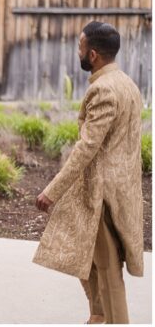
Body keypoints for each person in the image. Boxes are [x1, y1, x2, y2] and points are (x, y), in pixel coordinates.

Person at [34, 22, 144, 325]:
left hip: (102, 196)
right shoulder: (126, 83)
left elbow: (87, 148)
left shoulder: (103, 89)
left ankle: (116, 321)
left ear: (92, 54)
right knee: (91, 261)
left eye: (80, 47)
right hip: (116, 190)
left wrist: (51, 191)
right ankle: (98, 316)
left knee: (108, 270)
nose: (78, 52)